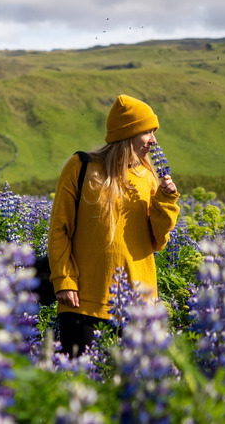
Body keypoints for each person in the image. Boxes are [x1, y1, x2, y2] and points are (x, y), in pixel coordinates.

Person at [47, 94, 180, 357]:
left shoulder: (149, 178)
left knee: (131, 391)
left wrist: (167, 199)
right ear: (127, 133)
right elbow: (59, 229)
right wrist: (64, 280)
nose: (154, 140)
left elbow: (158, 240)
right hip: (82, 300)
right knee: (80, 385)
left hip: (138, 304)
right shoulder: (81, 166)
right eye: (147, 132)